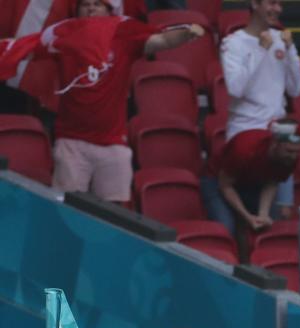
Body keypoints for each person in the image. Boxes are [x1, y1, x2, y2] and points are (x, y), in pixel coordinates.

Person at [51, 0, 204, 203]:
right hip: (72, 142)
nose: (91, 9)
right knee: (65, 209)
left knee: (115, 214)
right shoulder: (63, 37)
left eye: (97, 4)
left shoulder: (123, 39)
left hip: (113, 143)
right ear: (76, 10)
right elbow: (27, 46)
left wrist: (186, 33)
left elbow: (162, 41)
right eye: (85, 4)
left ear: (109, 11)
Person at [211, 119, 300, 257]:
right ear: (275, 143)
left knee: (272, 224)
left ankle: (263, 263)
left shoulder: (289, 158)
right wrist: (247, 216)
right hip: (217, 179)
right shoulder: (244, 149)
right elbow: (225, 186)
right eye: (289, 151)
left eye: (298, 152)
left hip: (255, 181)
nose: (294, 156)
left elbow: (272, 182)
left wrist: (263, 214)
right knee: (227, 226)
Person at [220, 0, 300, 142]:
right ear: (255, 4)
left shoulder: (281, 39)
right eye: (272, 3)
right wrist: (261, 49)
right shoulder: (234, 42)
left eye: (280, 4)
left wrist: (291, 49)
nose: (278, 9)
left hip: (277, 128)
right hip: (245, 128)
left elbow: (295, 90)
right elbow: (236, 89)